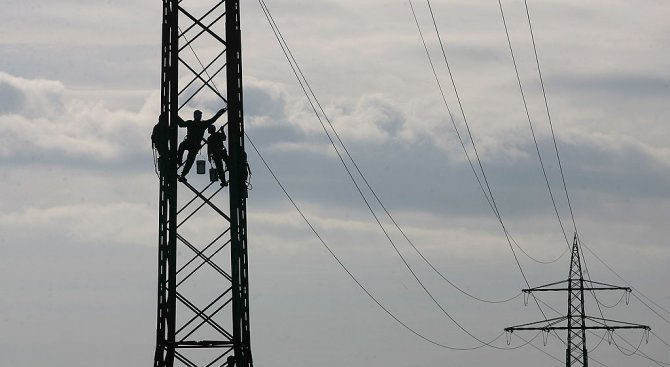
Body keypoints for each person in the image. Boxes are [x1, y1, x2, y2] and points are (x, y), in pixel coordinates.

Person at [177, 107, 227, 181]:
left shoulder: (190, 123)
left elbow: (181, 124)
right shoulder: (202, 124)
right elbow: (213, 119)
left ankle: (179, 162)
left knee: (182, 148)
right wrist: (222, 111)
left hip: (189, 143)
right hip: (195, 146)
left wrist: (174, 114)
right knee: (189, 161)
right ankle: (182, 174)